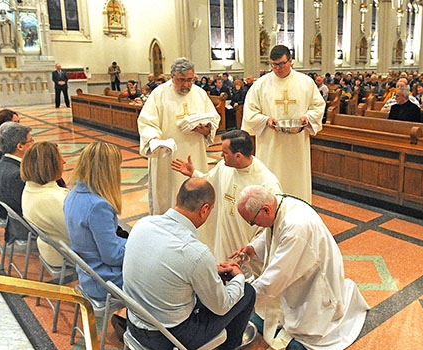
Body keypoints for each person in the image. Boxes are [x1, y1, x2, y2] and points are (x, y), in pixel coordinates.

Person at [122, 178, 258, 350]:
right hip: (169, 340)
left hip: (133, 323)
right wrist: (238, 277)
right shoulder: (195, 253)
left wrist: (209, 272)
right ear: (205, 209)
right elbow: (221, 307)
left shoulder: (144, 224)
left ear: (178, 197)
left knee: (204, 288)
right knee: (246, 293)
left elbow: (167, 269)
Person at [234, 185, 370, 350]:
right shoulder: (279, 203)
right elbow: (273, 230)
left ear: (266, 209)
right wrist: (253, 248)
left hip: (315, 277)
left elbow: (277, 276)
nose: (253, 226)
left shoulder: (296, 227)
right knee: (281, 303)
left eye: (252, 222)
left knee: (306, 325)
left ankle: (309, 327)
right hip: (304, 262)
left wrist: (244, 297)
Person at [171, 130, 281, 273]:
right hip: (224, 240)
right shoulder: (224, 167)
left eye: (225, 153)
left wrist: (251, 248)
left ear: (238, 156)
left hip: (246, 250)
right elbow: (210, 181)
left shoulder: (267, 183)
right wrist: (194, 173)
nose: (221, 156)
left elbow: (271, 225)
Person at [242, 45, 325, 203]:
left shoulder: (305, 82)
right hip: (270, 145)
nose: (277, 68)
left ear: (290, 61)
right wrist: (265, 120)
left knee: (296, 186)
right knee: (271, 184)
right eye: (273, 64)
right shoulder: (261, 85)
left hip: (297, 146)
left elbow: (318, 106)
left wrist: (308, 118)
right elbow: (250, 112)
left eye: (281, 64)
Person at [138, 57, 220, 215]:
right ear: (171, 77)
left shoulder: (200, 94)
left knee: (195, 196)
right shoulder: (159, 94)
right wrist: (155, 139)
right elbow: (146, 122)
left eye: (190, 80)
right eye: (181, 80)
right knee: (168, 196)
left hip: (194, 153)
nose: (187, 85)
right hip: (168, 157)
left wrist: (206, 130)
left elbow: (214, 119)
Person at [64, 142, 127, 300]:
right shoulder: (98, 206)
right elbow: (112, 256)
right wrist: (137, 246)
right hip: (105, 280)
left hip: (88, 273)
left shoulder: (72, 195)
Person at [21, 142, 70, 267]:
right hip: (65, 255)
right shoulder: (54, 199)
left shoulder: (29, 188)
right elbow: (81, 237)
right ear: (50, 166)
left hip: (50, 249)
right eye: (60, 159)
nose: (64, 162)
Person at [0, 122, 35, 244]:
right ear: (20, 146)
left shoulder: (3, 162)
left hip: (10, 218)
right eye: (31, 140)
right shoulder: (17, 175)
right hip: (21, 227)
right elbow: (29, 208)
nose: (34, 143)